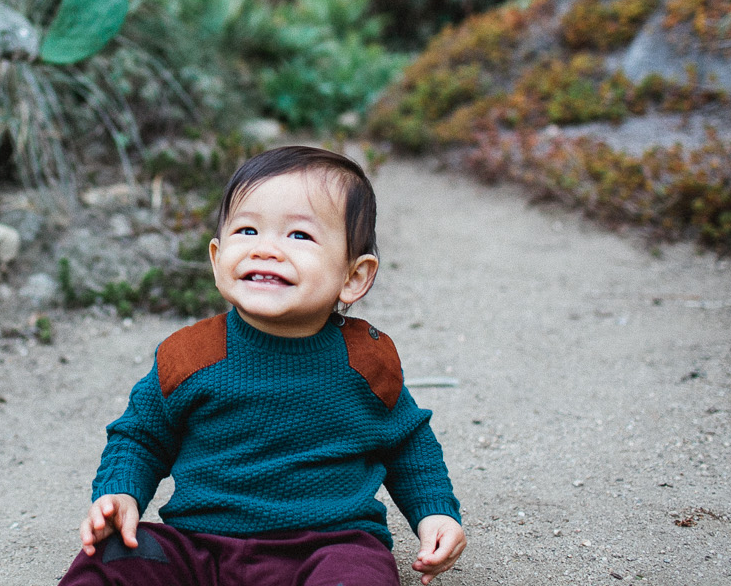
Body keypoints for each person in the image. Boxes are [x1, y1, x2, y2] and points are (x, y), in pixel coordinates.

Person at [59, 145, 465, 586]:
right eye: (248, 230)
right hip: (200, 546)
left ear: (353, 277)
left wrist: (435, 514)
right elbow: (140, 436)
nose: (266, 250)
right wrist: (120, 492)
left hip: (330, 545)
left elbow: (407, 444)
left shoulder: (365, 363)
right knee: (112, 556)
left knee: (359, 573)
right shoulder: (191, 355)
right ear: (217, 260)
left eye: (299, 236)